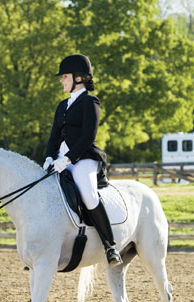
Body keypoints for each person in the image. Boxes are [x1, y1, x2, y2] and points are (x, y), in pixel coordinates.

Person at [43, 54, 122, 265]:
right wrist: (49, 157)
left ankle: (110, 246)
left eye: (65, 76)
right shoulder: (62, 106)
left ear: (79, 78)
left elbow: (88, 136)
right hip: (59, 159)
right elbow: (54, 136)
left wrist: (67, 159)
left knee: (88, 195)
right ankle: (41, 248)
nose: (61, 80)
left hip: (83, 159)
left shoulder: (90, 102)